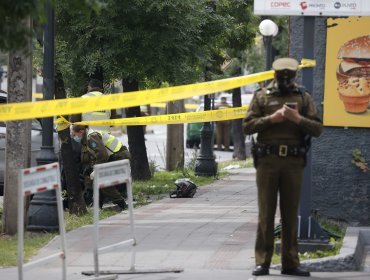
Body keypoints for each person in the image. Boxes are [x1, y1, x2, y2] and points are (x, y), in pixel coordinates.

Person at [243, 57, 323, 277]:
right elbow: (247, 126)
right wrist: (272, 119)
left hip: (293, 163)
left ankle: (290, 262)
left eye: (289, 78)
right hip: (267, 162)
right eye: (281, 78)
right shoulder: (261, 96)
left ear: (295, 76)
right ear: (274, 76)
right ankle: (263, 262)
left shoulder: (304, 98)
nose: (285, 82)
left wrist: (298, 119)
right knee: (266, 213)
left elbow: (317, 129)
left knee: (289, 214)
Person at [71, 124, 131, 210]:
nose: (74, 137)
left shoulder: (91, 137)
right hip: (116, 157)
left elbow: (102, 155)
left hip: (119, 157)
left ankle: (121, 204)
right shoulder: (88, 138)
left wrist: (96, 170)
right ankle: (98, 205)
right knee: (99, 180)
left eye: (74, 134)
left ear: (81, 132)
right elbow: (98, 156)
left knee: (104, 181)